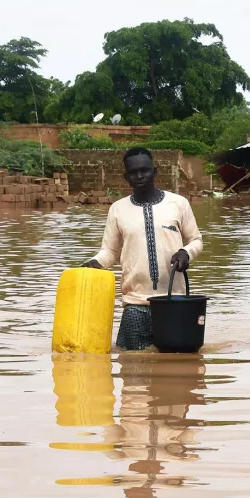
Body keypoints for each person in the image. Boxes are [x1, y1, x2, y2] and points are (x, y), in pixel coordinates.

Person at [83, 148, 203, 351]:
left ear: (155, 171)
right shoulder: (118, 209)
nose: (139, 176)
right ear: (125, 176)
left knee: (177, 369)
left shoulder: (178, 203)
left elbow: (196, 240)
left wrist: (186, 252)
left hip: (174, 302)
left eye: (144, 170)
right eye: (133, 172)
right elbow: (109, 252)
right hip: (135, 304)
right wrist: (92, 265)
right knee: (131, 368)